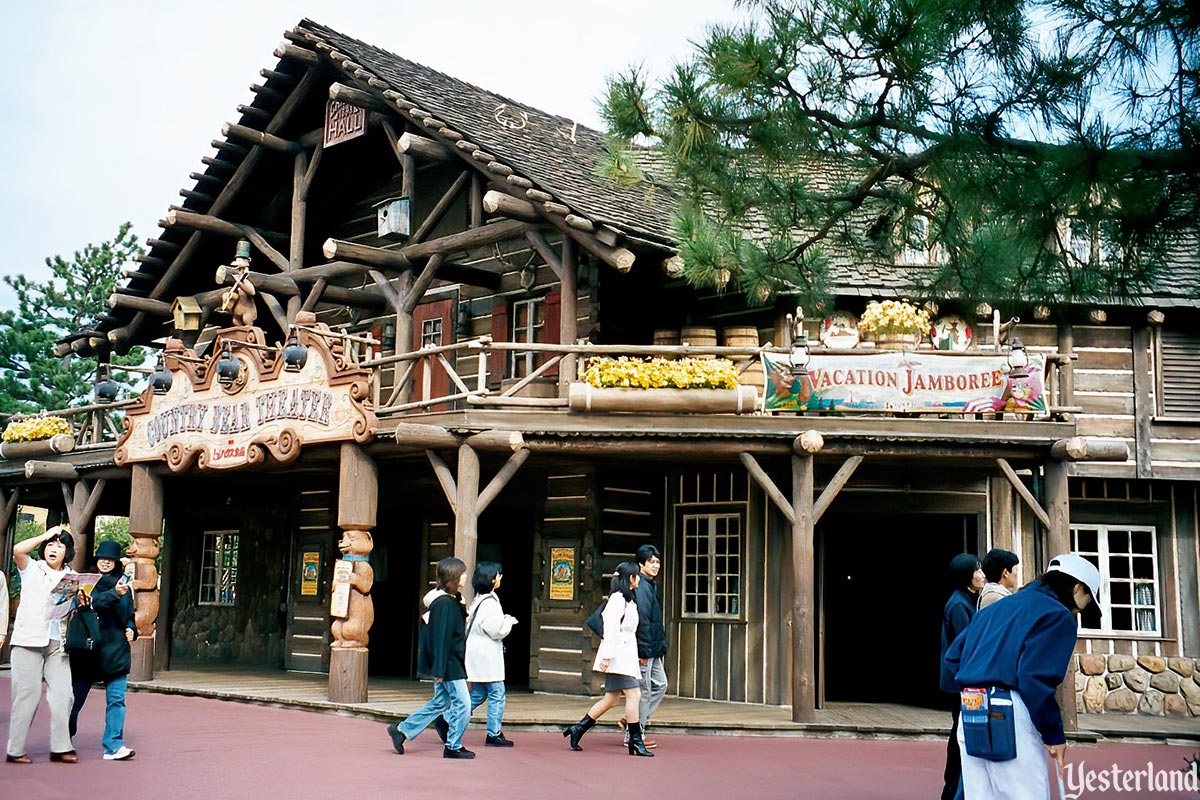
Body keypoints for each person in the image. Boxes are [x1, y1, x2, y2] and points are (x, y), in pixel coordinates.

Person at [945, 554, 1102, 800]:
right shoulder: (1059, 615)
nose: (1081, 609)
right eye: (1087, 600)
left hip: (972, 706)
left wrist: (980, 680)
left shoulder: (996, 608)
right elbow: (1034, 679)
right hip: (1011, 710)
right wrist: (1054, 734)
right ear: (1077, 588)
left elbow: (953, 656)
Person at [386, 557, 475, 759]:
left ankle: (401, 731)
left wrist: (461, 605)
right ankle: (453, 745)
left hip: (450, 663)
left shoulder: (450, 601)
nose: (465, 576)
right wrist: (439, 670)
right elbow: (441, 638)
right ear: (453, 576)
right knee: (464, 703)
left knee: (440, 703)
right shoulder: (443, 604)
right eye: (462, 573)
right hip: (449, 665)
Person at [562, 562, 653, 757]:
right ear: (630, 578)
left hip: (624, 654)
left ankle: (579, 728)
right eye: (636, 575)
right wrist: (607, 656)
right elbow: (611, 629)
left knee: (611, 699)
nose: (638, 579)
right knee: (634, 694)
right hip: (618, 656)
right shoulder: (618, 599)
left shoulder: (627, 599)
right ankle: (635, 739)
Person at [6, 525, 77, 764]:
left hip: (58, 642)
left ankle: (60, 747)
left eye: (59, 545)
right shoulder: (32, 569)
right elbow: (18, 550)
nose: (53, 549)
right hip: (28, 641)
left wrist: (82, 599)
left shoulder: (72, 575)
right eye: (50, 545)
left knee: (64, 695)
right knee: (28, 695)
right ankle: (15, 749)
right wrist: (45, 535)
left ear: (67, 551)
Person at [68, 539, 137, 761]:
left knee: (117, 700)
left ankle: (114, 745)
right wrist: (114, 594)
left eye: (110, 559)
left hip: (116, 649)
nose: (105, 562)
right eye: (102, 559)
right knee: (74, 700)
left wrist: (131, 629)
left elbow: (129, 615)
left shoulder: (125, 586)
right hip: (88, 650)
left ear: (117, 562)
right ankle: (63, 739)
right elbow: (89, 604)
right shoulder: (86, 582)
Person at [940, 554, 985, 800]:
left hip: (965, 681)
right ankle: (952, 788)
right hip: (962, 682)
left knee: (961, 732)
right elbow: (965, 644)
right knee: (961, 734)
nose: (981, 575)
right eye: (976, 571)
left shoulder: (970, 600)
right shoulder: (959, 604)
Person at [464, 561, 518, 747]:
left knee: (478, 693)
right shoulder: (490, 602)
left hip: (476, 652)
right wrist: (508, 621)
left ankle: (448, 719)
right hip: (486, 654)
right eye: (498, 574)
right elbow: (496, 630)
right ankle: (493, 734)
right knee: (497, 693)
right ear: (492, 579)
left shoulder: (479, 598)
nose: (500, 578)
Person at [623, 543, 667, 749]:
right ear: (641, 564)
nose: (656, 566)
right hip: (646, 648)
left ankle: (630, 719)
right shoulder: (641, 587)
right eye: (651, 562)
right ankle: (634, 733)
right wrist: (642, 651)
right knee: (645, 690)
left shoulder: (649, 585)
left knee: (661, 684)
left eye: (657, 562)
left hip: (654, 647)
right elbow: (642, 622)